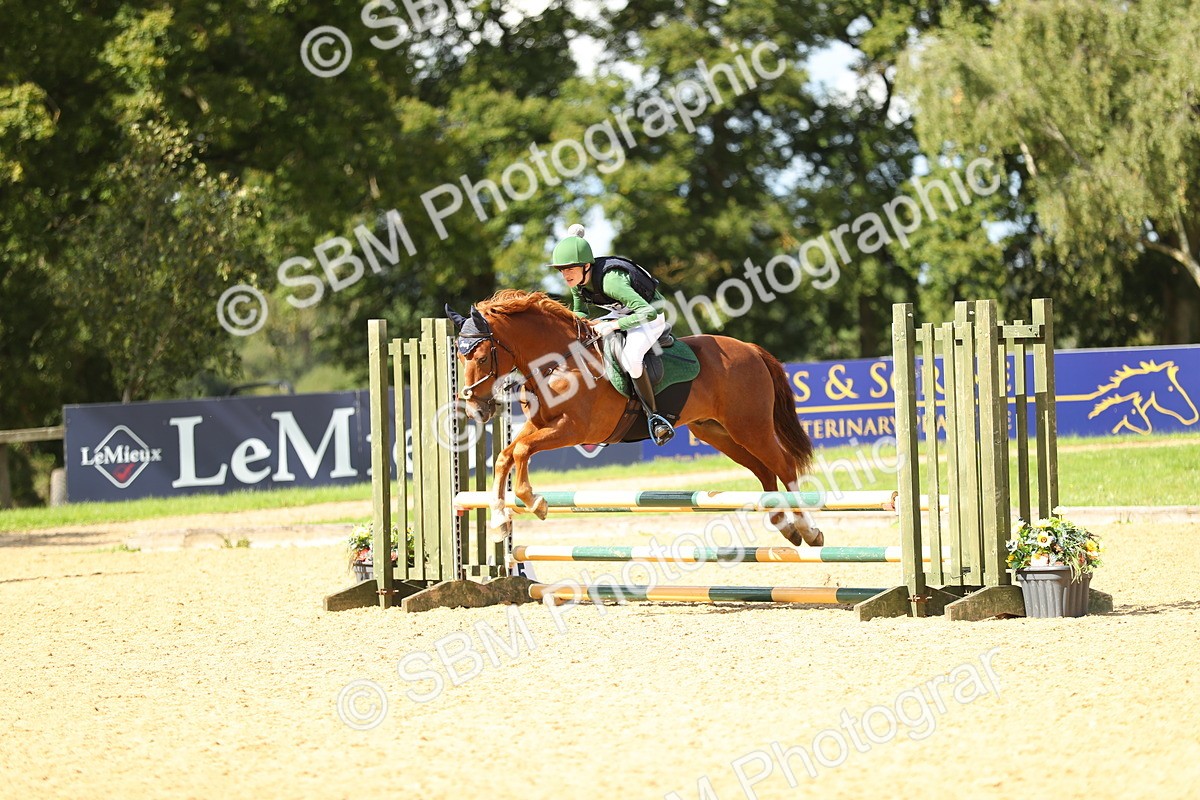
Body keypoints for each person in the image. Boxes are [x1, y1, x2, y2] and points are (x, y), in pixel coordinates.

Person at [548, 224, 675, 445]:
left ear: (586, 266)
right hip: (621, 314)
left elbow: (648, 311)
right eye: (561, 269)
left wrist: (614, 325)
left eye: (570, 268)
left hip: (649, 316)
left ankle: (655, 417)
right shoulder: (577, 283)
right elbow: (580, 312)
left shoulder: (611, 280)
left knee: (631, 358)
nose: (565, 274)